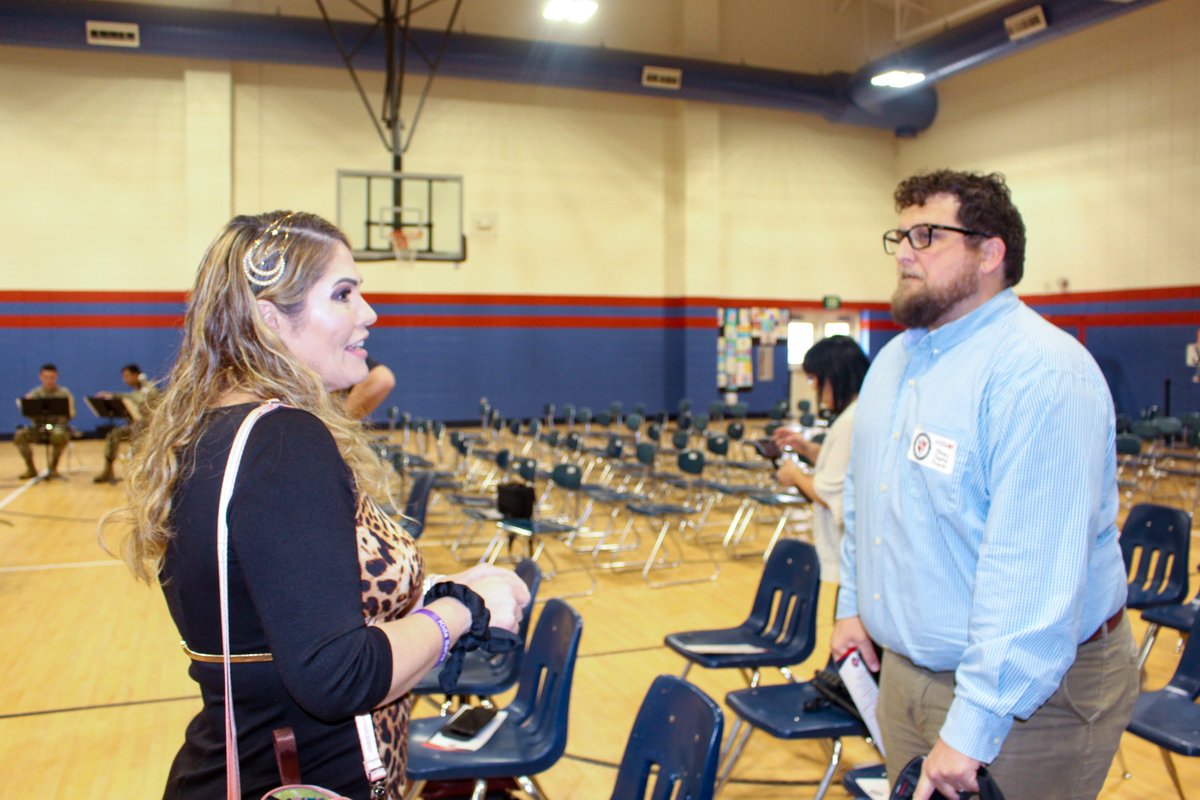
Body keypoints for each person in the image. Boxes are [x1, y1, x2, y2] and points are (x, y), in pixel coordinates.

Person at [101, 211, 529, 798]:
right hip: (295, 775)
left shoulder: (223, 428)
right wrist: (464, 610)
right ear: (270, 318)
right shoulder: (283, 440)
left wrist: (427, 597)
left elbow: (288, 612)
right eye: (343, 294)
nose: (369, 313)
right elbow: (337, 675)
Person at [831, 170, 1137, 799]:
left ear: (990, 252)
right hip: (905, 673)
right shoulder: (894, 361)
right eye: (900, 236)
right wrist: (854, 607)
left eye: (926, 235)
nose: (904, 253)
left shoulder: (1040, 373)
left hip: (1029, 697)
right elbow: (868, 504)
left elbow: (1033, 573)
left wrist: (974, 724)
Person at [772, 335, 869, 583]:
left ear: (835, 376)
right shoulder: (860, 412)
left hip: (847, 552)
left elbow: (827, 493)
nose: (814, 387)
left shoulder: (850, 422)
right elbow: (843, 466)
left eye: (816, 379)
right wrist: (806, 448)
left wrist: (794, 475)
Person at [93, 364, 159, 483]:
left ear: (136, 375)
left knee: (138, 444)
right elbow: (131, 396)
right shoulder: (136, 391)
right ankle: (107, 471)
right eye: (123, 377)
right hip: (135, 427)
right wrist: (112, 396)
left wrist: (115, 396)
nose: (125, 380)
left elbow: (138, 398)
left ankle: (142, 475)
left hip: (149, 429)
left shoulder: (150, 389)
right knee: (113, 435)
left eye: (127, 376)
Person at [14, 363, 76, 479]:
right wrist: (27, 405)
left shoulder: (64, 393)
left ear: (56, 377)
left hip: (58, 427)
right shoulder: (35, 393)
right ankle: (31, 469)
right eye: (46, 377)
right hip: (40, 428)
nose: (49, 380)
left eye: (52, 377)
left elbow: (71, 414)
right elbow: (29, 414)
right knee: (20, 434)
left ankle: (53, 468)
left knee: (59, 434)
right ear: (41, 377)